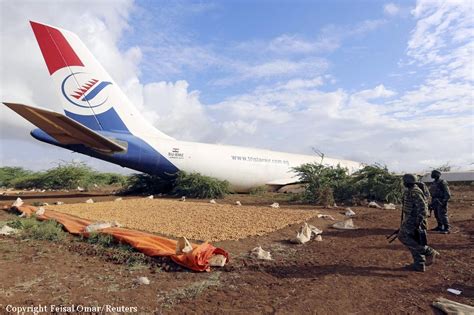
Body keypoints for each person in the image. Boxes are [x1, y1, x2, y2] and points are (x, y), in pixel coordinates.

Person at [398, 174, 439, 272]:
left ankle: (429, 251)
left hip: (415, 220)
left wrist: (418, 222)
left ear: (407, 182)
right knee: (414, 241)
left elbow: (423, 209)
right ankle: (419, 264)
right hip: (410, 219)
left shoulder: (415, 192)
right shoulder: (410, 191)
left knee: (403, 237)